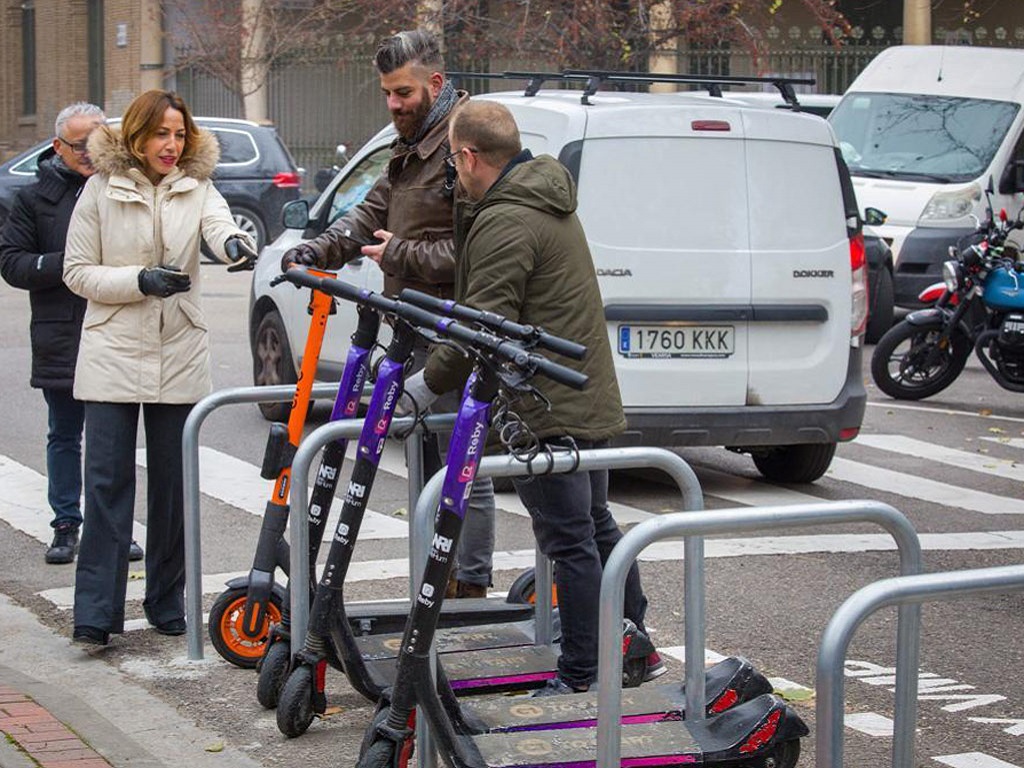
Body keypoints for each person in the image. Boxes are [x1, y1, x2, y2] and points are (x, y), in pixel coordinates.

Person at [419, 99, 664, 695]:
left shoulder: (508, 218)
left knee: (571, 541)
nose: (453, 170)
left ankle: (581, 674)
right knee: (596, 526)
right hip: (578, 397)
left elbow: (484, 322)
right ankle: (632, 646)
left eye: (454, 159)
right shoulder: (542, 200)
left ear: (470, 156)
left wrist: (426, 385)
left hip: (543, 406)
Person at [282, 28, 495, 599]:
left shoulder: (462, 148)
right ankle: (438, 575)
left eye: (401, 92)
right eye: (387, 93)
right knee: (427, 454)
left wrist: (397, 253)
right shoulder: (410, 146)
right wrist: (315, 249)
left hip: (455, 329)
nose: (393, 104)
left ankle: (467, 582)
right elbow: (367, 213)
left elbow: (477, 251)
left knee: (459, 458)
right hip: (412, 326)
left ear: (436, 83)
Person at [62, 90, 257, 646]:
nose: (171, 145)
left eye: (179, 134)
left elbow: (220, 229)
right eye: (160, 134)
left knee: (172, 487)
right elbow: (77, 273)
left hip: (179, 352)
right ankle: (96, 613)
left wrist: (237, 244)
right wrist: (138, 281)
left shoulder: (199, 187)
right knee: (106, 486)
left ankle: (166, 598)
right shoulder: (100, 190)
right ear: (137, 136)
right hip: (111, 354)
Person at [0, 103, 144, 566]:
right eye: (78, 144)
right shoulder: (31, 199)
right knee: (65, 434)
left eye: (96, 140)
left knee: (115, 438)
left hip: (120, 330)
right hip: (63, 333)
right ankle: (66, 525)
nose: (88, 152)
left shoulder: (125, 186)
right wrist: (73, 265)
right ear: (57, 147)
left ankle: (115, 526)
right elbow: (13, 263)